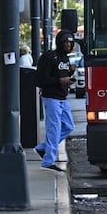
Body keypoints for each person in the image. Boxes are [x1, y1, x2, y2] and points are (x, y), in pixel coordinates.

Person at [34, 29, 76, 171]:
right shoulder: (49, 57)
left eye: (71, 43)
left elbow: (61, 74)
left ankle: (43, 148)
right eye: (66, 42)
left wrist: (70, 73)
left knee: (69, 126)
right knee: (54, 129)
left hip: (62, 98)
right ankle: (48, 161)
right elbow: (40, 80)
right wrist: (60, 80)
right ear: (60, 42)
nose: (69, 45)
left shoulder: (66, 58)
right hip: (51, 97)